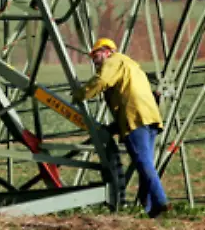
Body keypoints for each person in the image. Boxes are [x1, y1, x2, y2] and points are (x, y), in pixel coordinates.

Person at [72, 37, 171, 218]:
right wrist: (115, 126)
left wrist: (80, 94)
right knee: (145, 164)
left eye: (97, 54)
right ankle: (150, 209)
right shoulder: (130, 64)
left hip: (135, 118)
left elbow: (101, 81)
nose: (94, 59)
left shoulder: (113, 62)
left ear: (108, 51)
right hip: (150, 116)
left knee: (143, 162)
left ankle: (161, 201)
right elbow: (127, 93)